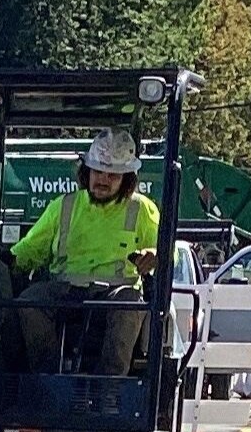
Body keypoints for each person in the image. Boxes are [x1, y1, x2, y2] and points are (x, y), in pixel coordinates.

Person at [9, 129, 160, 375]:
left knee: (130, 304)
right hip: (65, 291)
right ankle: (45, 382)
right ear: (86, 171)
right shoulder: (63, 206)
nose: (103, 179)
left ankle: (109, 388)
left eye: (112, 175)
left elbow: (165, 249)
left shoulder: (141, 209)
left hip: (115, 294)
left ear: (127, 180)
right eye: (98, 171)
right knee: (29, 301)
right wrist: (8, 262)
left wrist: (154, 254)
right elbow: (30, 250)